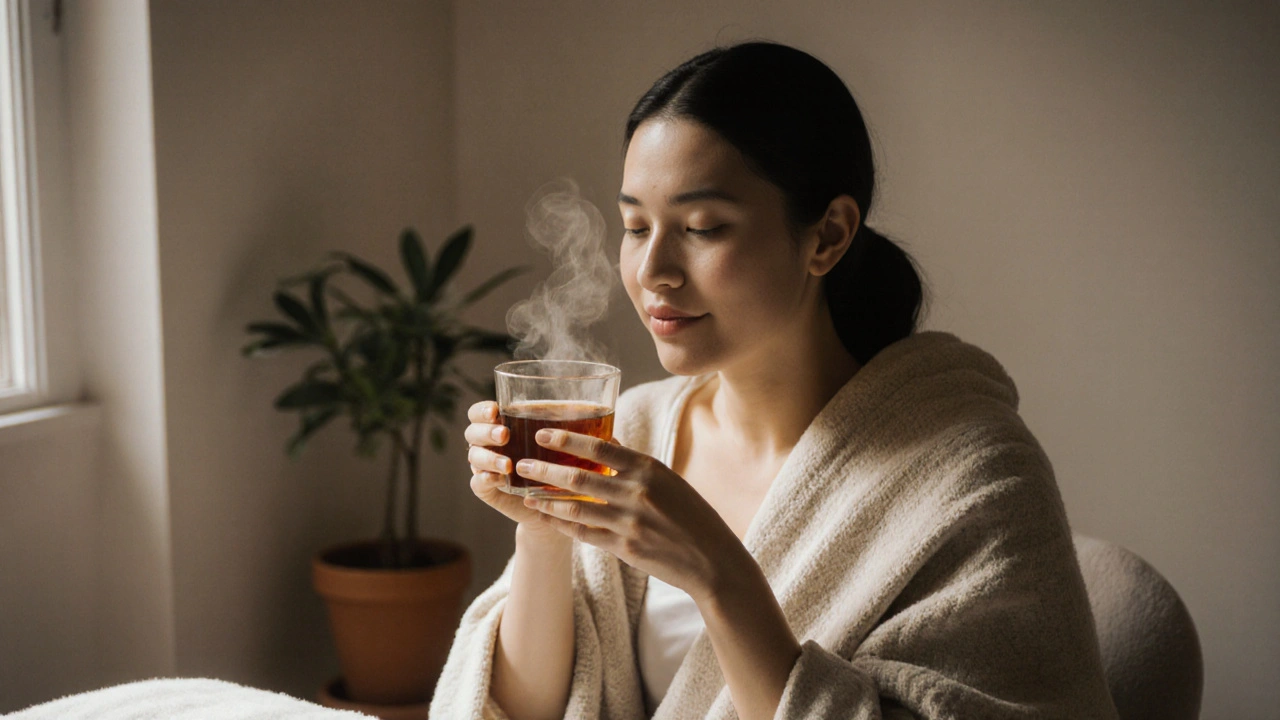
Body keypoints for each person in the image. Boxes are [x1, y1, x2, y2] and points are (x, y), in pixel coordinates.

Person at [431, 42, 1118, 720]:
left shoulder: (971, 477)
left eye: (702, 227)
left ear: (828, 236)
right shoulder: (632, 431)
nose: (653, 272)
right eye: (636, 226)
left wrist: (719, 576)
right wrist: (545, 533)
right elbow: (525, 712)